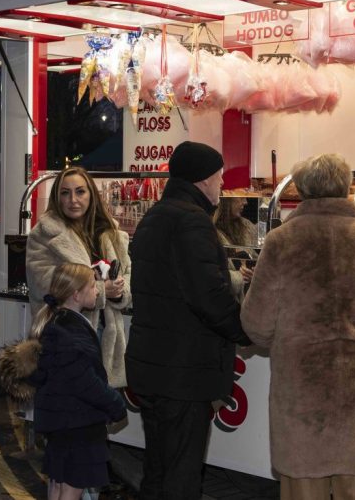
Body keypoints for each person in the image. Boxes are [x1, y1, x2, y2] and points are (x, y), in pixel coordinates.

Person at [241, 153, 355, 500]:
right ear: (347, 188)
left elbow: (256, 325)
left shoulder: (280, 242)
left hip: (302, 398)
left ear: (301, 191)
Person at [125, 141, 251, 500]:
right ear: (203, 179)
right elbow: (207, 297)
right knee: (181, 474)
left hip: (154, 366)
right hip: (182, 372)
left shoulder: (157, 215)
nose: (222, 186)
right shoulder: (192, 221)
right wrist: (246, 328)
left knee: (159, 469)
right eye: (220, 178)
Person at [29, 263, 127, 500]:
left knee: (59, 483)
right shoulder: (69, 332)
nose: (97, 291)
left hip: (63, 421)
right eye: (93, 286)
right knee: (73, 488)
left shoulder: (59, 322)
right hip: (78, 424)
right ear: (76, 294)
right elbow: (85, 382)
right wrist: (116, 404)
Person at [26, 166, 130, 388]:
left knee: (100, 410)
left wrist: (121, 290)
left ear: (92, 195)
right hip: (65, 337)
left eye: (80, 191)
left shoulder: (109, 232)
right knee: (70, 411)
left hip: (107, 336)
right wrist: (102, 291)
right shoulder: (44, 234)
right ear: (57, 197)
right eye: (65, 193)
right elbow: (44, 285)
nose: (73, 199)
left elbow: (128, 272)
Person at [212, 194, 256, 301]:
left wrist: (254, 270)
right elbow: (209, 275)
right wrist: (239, 277)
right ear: (226, 200)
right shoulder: (210, 231)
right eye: (241, 197)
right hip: (224, 303)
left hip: (248, 302)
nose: (245, 202)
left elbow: (256, 257)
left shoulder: (247, 226)